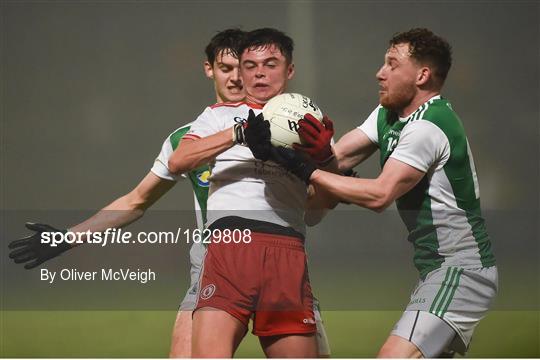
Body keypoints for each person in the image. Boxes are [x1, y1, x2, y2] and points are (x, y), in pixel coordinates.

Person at [257, 28, 498, 358]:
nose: (379, 73)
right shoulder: (388, 115)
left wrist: (307, 169)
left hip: (461, 271)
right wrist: (314, 155)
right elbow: (336, 164)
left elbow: (379, 195)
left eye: (391, 64)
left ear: (422, 75)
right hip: (437, 270)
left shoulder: (429, 126)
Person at [7, 28, 246, 358]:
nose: (235, 78)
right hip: (213, 264)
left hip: (278, 259)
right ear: (209, 69)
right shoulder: (185, 140)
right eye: (225, 68)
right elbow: (136, 201)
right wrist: (68, 237)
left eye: (243, 68)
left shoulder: (280, 124)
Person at [167, 27, 333, 358]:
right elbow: (178, 161)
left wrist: (325, 160)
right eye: (250, 64)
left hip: (286, 250)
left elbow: (316, 212)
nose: (259, 73)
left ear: (290, 70)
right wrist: (239, 133)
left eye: (270, 63)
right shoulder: (219, 116)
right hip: (230, 247)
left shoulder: (311, 122)